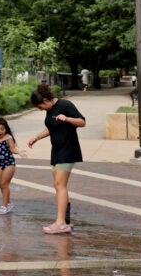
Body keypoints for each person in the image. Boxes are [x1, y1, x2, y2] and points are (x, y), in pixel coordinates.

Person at [28, 82, 86, 234]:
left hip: (68, 150)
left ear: (46, 100)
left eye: (40, 106)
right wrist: (36, 137)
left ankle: (60, 223)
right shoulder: (50, 109)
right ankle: (64, 220)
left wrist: (67, 118)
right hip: (56, 151)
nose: (40, 109)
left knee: (60, 185)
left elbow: (82, 122)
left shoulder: (65, 105)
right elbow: (51, 127)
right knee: (58, 185)